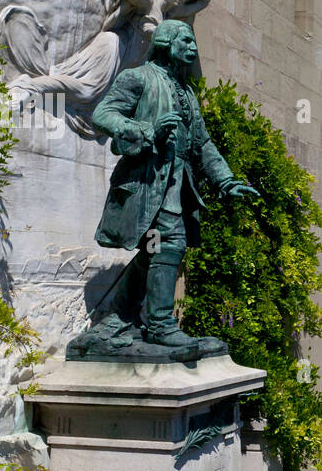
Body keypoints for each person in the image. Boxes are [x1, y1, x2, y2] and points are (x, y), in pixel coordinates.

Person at [84, 18, 256, 349]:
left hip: (176, 185)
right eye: (187, 41)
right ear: (166, 43)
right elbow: (103, 115)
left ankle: (120, 316)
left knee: (154, 251)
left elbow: (203, 144)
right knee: (169, 241)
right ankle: (161, 324)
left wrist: (226, 180)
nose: (194, 48)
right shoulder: (138, 78)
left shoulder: (188, 93)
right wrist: (148, 130)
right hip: (146, 182)